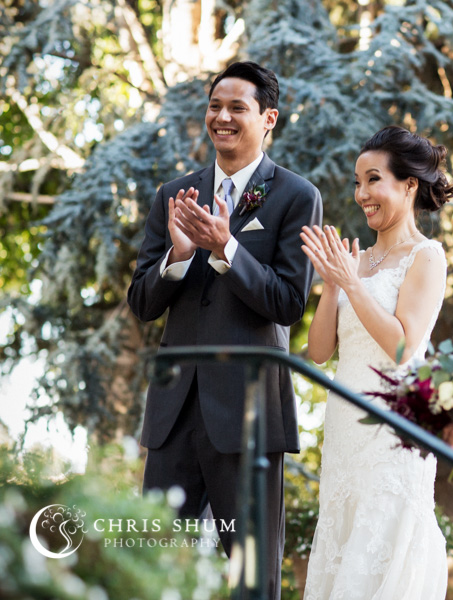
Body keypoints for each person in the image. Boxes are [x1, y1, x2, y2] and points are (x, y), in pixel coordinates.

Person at [127, 61, 323, 599]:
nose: (223, 117)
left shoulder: (295, 196)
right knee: (154, 567)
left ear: (269, 119)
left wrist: (226, 248)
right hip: (173, 414)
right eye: (216, 106)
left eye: (238, 107)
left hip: (250, 413)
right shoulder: (175, 194)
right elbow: (142, 302)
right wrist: (178, 255)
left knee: (251, 576)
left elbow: (286, 302)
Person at [299, 125, 453, 600]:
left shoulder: (427, 257)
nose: (361, 193)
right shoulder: (355, 261)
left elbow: (404, 349)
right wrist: (333, 282)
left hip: (393, 435)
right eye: (357, 181)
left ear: (409, 185)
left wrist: (351, 284)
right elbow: (319, 352)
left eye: (373, 180)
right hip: (345, 432)